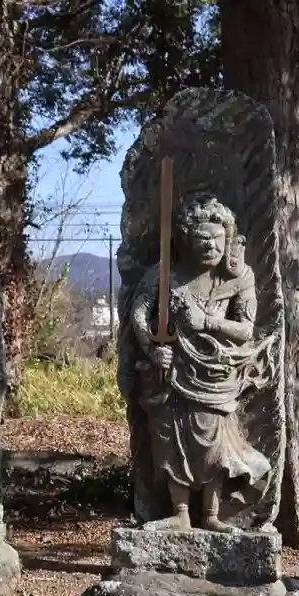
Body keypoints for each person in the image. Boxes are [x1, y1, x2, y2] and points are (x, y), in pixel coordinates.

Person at [127, 193, 271, 533]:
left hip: (216, 372)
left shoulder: (239, 277)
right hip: (172, 370)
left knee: (214, 445)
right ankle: (179, 512)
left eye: (217, 239)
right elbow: (139, 311)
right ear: (185, 240)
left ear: (229, 240)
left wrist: (206, 322)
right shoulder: (165, 274)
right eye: (202, 239)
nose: (210, 246)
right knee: (170, 439)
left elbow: (246, 329)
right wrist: (151, 347)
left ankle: (211, 513)